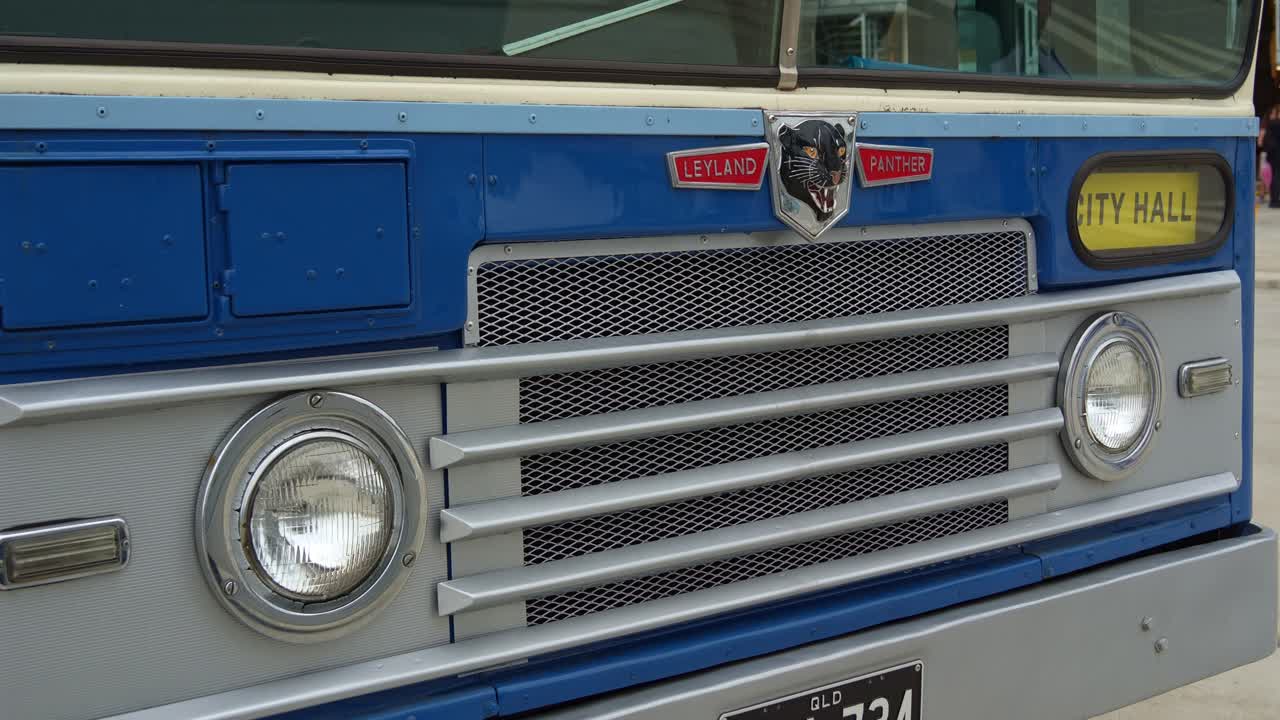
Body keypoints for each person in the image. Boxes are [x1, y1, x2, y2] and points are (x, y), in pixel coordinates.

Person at [1264, 106, 1280, 207]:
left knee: (1275, 175)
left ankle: (1274, 199)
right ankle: (1275, 200)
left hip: (1272, 153)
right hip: (1277, 153)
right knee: (1277, 176)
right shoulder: (1277, 124)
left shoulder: (1270, 124)